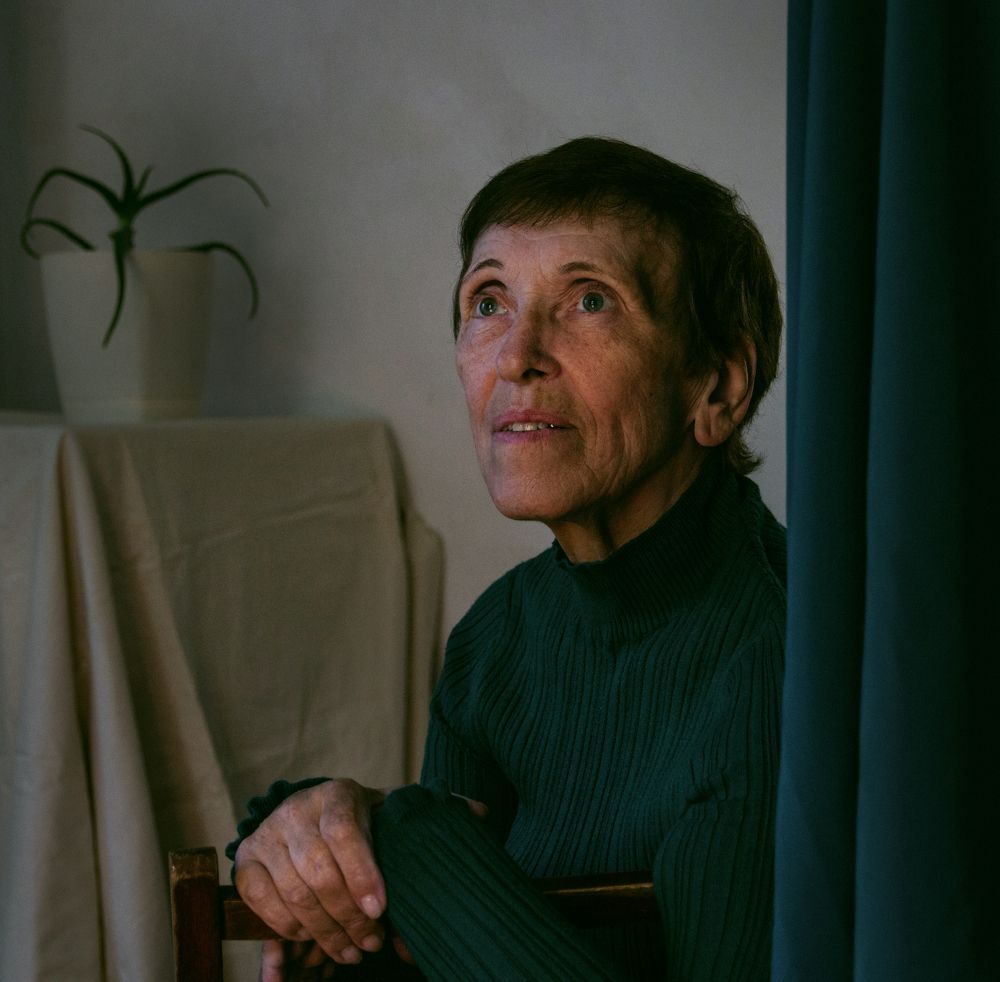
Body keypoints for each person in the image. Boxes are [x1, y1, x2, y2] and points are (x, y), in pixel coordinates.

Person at [229, 136, 786, 981]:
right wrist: (311, 838)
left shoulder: (782, 657)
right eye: (488, 302)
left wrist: (409, 836)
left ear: (717, 388)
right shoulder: (495, 641)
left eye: (590, 301)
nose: (516, 356)